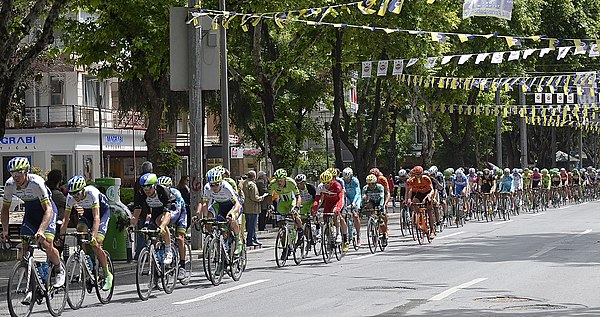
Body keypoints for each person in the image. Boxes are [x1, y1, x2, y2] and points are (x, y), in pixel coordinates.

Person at [1, 157, 65, 302]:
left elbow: (48, 209)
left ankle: (58, 267)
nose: (15, 176)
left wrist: (42, 230)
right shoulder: (10, 184)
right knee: (26, 249)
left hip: (46, 212)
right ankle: (32, 288)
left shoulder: (36, 183)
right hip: (30, 214)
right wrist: (5, 229)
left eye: (19, 172)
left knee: (47, 243)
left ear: (26, 172)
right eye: (12, 173)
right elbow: (5, 209)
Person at [59, 175, 113, 291]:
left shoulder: (92, 193)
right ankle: (87, 259)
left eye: (77, 194)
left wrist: (93, 235)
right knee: (80, 230)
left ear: (83, 190)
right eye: (72, 194)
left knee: (96, 243)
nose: (75, 197)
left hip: (102, 213)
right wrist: (61, 236)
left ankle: (107, 274)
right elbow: (65, 219)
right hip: (87, 214)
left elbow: (97, 218)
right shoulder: (70, 197)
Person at [130, 173, 176, 264]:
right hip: (156, 210)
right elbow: (136, 212)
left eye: (149, 187)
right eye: (144, 187)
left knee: (160, 222)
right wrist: (131, 225)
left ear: (155, 185)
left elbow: (167, 213)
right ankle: (156, 259)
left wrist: (162, 226)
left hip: (172, 209)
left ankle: (168, 250)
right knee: (151, 231)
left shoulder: (163, 191)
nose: (147, 190)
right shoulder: (141, 193)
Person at [196, 169, 244, 255]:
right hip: (219, 205)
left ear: (220, 183)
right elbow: (205, 203)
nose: (214, 187)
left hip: (232, 205)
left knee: (231, 220)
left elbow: (237, 204)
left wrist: (233, 214)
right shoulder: (207, 187)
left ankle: (238, 240)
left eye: (216, 185)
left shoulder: (226, 187)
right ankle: (213, 239)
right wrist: (205, 217)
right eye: (212, 185)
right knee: (210, 219)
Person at [157, 176, 188, 280]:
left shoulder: (176, 193)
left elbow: (177, 211)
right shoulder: (157, 194)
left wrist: (165, 222)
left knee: (179, 237)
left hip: (180, 212)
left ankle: (183, 266)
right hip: (167, 212)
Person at [269, 169, 303, 246]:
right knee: (281, 225)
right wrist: (270, 206)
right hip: (282, 203)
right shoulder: (273, 184)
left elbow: (298, 197)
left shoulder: (291, 182)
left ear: (285, 179)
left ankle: (300, 233)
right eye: (277, 180)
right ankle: (285, 246)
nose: (279, 182)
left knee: (296, 217)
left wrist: (297, 208)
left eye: (281, 180)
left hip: (292, 201)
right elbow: (269, 196)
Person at [312, 171, 345, 246]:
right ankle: (329, 238)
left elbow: (341, 199)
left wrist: (338, 208)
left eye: (327, 183)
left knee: (335, 214)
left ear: (331, 181)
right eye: (324, 183)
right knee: (325, 219)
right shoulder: (320, 187)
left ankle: (338, 234)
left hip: (337, 201)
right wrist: (314, 209)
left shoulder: (337, 185)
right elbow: (317, 200)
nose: (325, 185)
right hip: (328, 202)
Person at [406, 166, 435, 240]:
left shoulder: (426, 178)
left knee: (429, 211)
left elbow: (432, 190)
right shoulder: (412, 180)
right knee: (414, 202)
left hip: (427, 193)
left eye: (419, 174)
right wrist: (409, 199)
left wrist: (429, 195)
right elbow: (410, 190)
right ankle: (420, 217)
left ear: (422, 174)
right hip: (419, 194)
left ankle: (432, 230)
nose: (418, 176)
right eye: (416, 174)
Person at [240, 171, 267, 247]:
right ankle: (250, 240)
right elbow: (254, 197)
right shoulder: (251, 184)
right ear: (254, 176)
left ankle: (254, 239)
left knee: (250, 225)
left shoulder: (244, 183)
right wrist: (262, 197)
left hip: (247, 207)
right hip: (252, 207)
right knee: (252, 225)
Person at [133, 161, 153, 260]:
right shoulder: (152, 180)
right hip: (148, 210)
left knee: (141, 231)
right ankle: (144, 253)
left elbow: (136, 197)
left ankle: (139, 253)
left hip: (140, 210)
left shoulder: (138, 181)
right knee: (150, 231)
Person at [342, 168, 362, 247]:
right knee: (346, 215)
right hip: (347, 198)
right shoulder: (342, 181)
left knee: (355, 215)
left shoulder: (355, 180)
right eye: (345, 179)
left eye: (348, 179)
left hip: (355, 198)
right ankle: (348, 235)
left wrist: (354, 203)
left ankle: (358, 235)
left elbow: (357, 192)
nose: (347, 181)